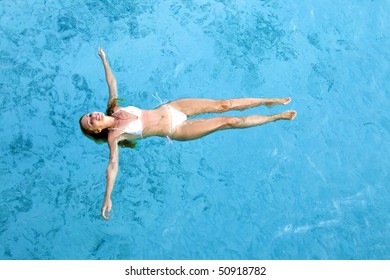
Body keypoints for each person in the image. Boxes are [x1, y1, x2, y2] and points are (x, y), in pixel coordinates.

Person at [79, 48, 297, 220]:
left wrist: (104, 60)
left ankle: (269, 102)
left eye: (89, 114)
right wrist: (107, 197)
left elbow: (112, 82)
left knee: (224, 105)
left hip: (175, 108)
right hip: (176, 130)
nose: (92, 117)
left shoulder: (114, 107)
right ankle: (274, 117)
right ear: (96, 130)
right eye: (89, 122)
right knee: (229, 121)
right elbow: (112, 166)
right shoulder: (114, 137)